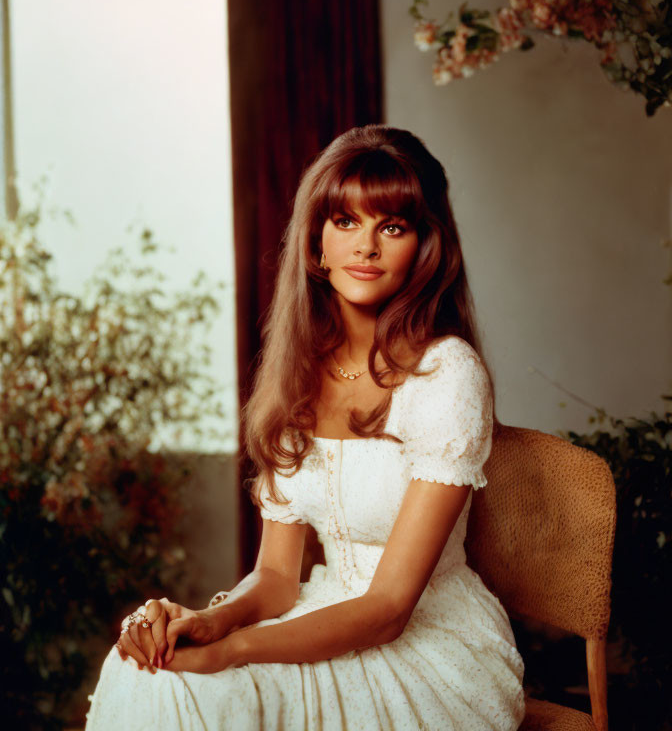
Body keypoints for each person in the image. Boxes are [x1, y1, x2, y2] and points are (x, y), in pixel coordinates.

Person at [85, 124, 526, 730]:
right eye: (345, 222)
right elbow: (274, 578)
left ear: (423, 248)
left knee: (198, 689)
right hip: (318, 610)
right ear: (317, 243)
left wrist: (232, 649)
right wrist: (206, 621)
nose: (365, 247)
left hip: (430, 650)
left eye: (391, 227)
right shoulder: (297, 373)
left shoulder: (446, 374)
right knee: (148, 672)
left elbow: (389, 608)